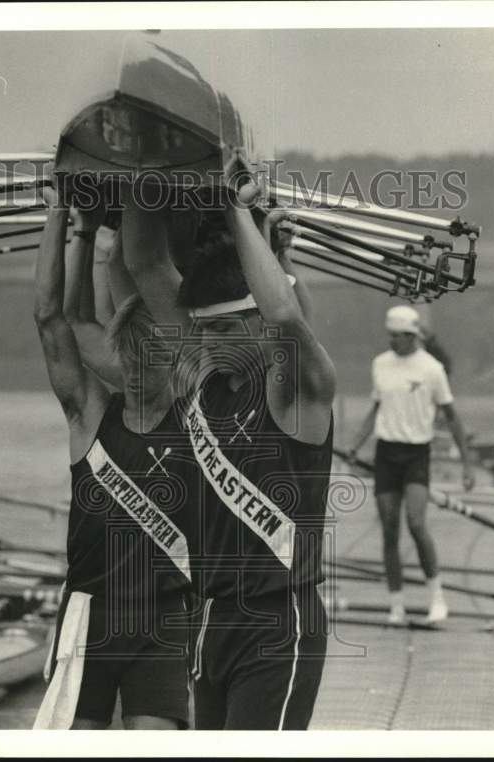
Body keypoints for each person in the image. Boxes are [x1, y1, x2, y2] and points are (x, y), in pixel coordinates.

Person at [120, 163, 337, 730]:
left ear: (257, 326)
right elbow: (144, 263)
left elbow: (286, 312)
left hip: (277, 619)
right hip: (209, 614)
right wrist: (143, 170)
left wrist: (238, 209)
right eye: (203, 332)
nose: (206, 345)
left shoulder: (297, 394)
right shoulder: (202, 377)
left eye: (221, 332)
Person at [31, 187, 193, 731]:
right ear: (122, 355)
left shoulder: (200, 426)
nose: (146, 370)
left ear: (176, 362)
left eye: (160, 358)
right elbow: (51, 318)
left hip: (164, 621)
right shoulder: (91, 412)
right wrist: (66, 215)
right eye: (136, 357)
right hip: (89, 615)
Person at [344, 304, 474, 624]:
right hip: (387, 453)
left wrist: (467, 465)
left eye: (397, 336)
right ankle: (397, 604)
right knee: (389, 529)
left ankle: (437, 598)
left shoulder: (431, 369)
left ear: (412, 335)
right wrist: (355, 445)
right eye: (388, 335)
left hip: (417, 454)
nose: (391, 341)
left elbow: (452, 417)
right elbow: (375, 409)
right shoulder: (380, 365)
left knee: (416, 523)